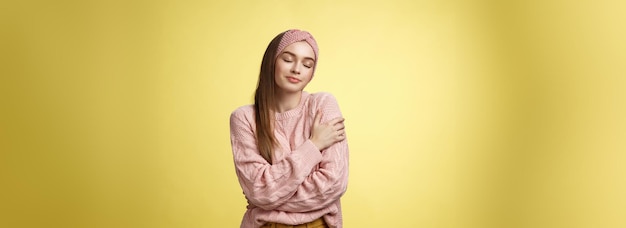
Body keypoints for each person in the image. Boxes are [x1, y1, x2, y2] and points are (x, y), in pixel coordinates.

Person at [229, 29, 349, 228]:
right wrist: (313, 145)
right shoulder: (244, 118)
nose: (297, 69)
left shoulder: (322, 105)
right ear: (272, 62)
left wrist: (269, 199)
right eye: (288, 59)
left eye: (307, 64)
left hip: (318, 224)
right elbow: (259, 190)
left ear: (312, 72)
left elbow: (334, 183)